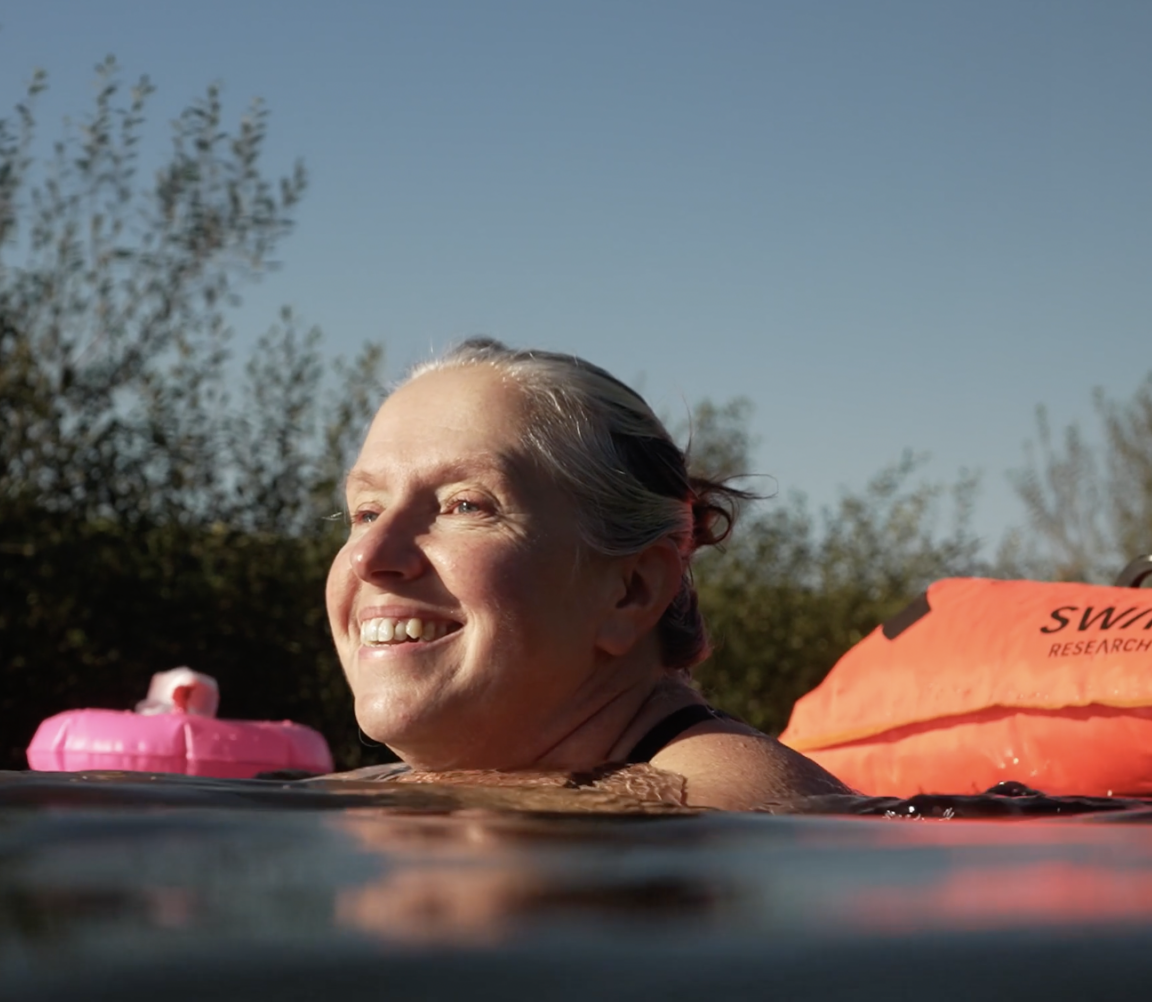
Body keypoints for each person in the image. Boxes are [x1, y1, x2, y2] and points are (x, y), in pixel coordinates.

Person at [325, 338, 849, 808]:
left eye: (466, 505)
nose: (368, 555)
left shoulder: (713, 817)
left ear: (632, 591)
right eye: (366, 512)